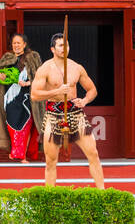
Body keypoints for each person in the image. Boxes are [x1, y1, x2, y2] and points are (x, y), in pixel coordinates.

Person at [31, 32, 105, 188]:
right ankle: (50, 198)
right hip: (53, 115)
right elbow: (35, 95)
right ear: (52, 49)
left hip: (75, 114)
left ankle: (103, 194)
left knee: (93, 154)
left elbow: (92, 90)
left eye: (67, 45)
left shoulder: (76, 67)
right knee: (51, 161)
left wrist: (84, 100)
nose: (65, 48)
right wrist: (56, 92)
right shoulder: (45, 68)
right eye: (60, 45)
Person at [0, 33, 43, 161]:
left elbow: (40, 77)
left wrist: (28, 83)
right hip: (11, 98)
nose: (16, 45)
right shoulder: (8, 58)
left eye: (19, 43)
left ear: (24, 44)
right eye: (14, 43)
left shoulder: (33, 57)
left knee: (26, 126)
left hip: (27, 98)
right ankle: (17, 151)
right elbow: (1, 77)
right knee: (13, 125)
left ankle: (22, 156)